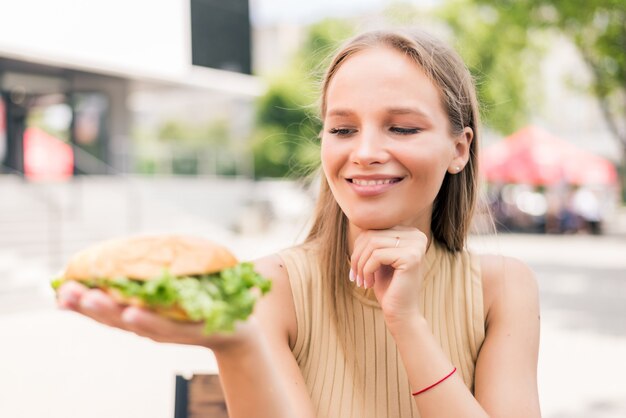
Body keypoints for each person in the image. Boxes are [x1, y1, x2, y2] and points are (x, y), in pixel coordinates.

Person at [57, 29, 541, 418]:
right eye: (343, 129)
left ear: (459, 149)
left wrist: (407, 323)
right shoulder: (272, 287)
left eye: (402, 127)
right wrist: (235, 343)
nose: (365, 152)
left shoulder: (503, 287)